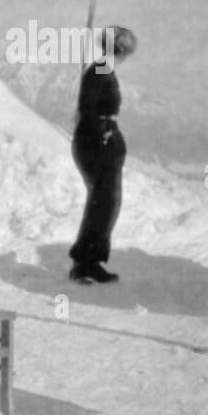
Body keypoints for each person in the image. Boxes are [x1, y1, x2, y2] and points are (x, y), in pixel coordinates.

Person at [69, 27, 137, 283]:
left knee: (105, 202)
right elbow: (88, 107)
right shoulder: (100, 69)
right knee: (104, 202)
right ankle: (85, 262)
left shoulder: (103, 69)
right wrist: (103, 133)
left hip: (98, 139)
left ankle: (91, 260)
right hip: (96, 142)